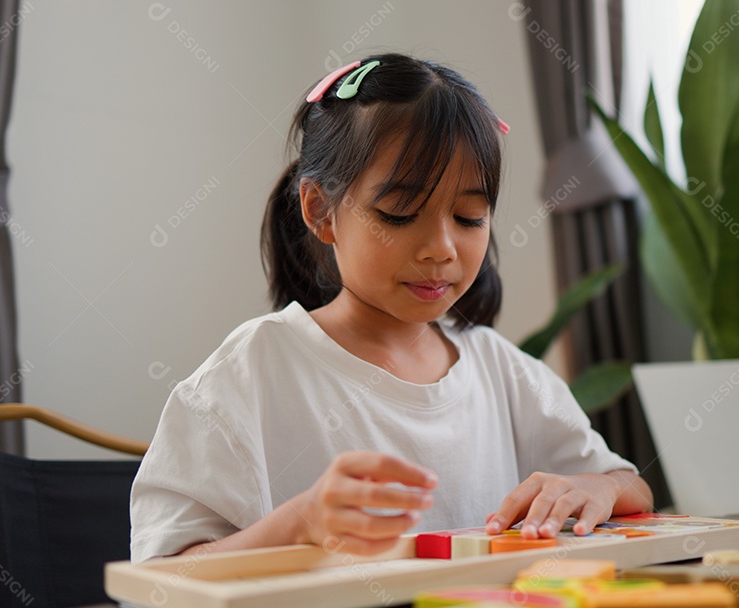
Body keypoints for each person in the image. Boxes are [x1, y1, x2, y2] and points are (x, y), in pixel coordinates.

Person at [129, 52, 652, 563]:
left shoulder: (504, 372)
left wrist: (594, 488)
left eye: (469, 216)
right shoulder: (251, 373)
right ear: (320, 211)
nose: (442, 248)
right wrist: (299, 523)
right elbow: (159, 578)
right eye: (400, 212)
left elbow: (631, 488)